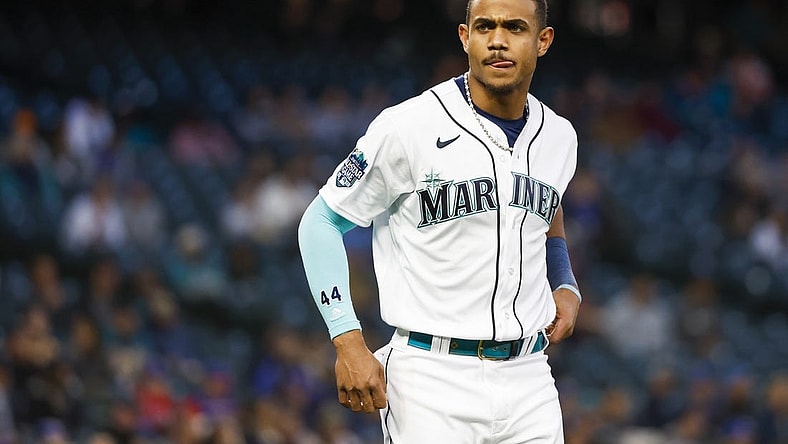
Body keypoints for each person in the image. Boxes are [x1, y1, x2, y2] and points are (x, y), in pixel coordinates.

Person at [298, 0, 581, 441]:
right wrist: (347, 340)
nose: (498, 40)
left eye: (515, 28)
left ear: (542, 41)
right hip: (430, 377)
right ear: (466, 37)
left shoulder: (559, 135)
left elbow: (547, 210)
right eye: (485, 27)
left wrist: (565, 282)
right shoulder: (408, 126)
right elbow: (320, 222)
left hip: (530, 375)